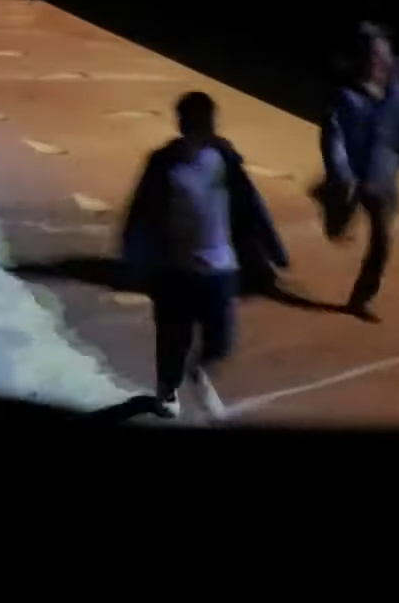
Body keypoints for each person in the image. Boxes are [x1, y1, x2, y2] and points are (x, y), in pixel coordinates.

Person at [120, 92, 289, 420]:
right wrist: (134, 259)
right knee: (172, 338)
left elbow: (251, 203)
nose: (202, 127)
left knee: (222, 340)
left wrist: (273, 246)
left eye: (206, 121)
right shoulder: (162, 163)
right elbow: (139, 213)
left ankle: (198, 369)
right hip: (174, 269)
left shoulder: (224, 158)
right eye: (195, 121)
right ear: (182, 123)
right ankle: (167, 391)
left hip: (220, 268)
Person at [316, 22, 399, 319]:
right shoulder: (345, 95)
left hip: (381, 176)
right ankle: (329, 198)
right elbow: (333, 137)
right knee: (337, 229)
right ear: (361, 59)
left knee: (382, 239)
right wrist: (341, 175)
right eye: (372, 57)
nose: (378, 63)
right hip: (350, 175)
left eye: (383, 56)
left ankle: (361, 298)